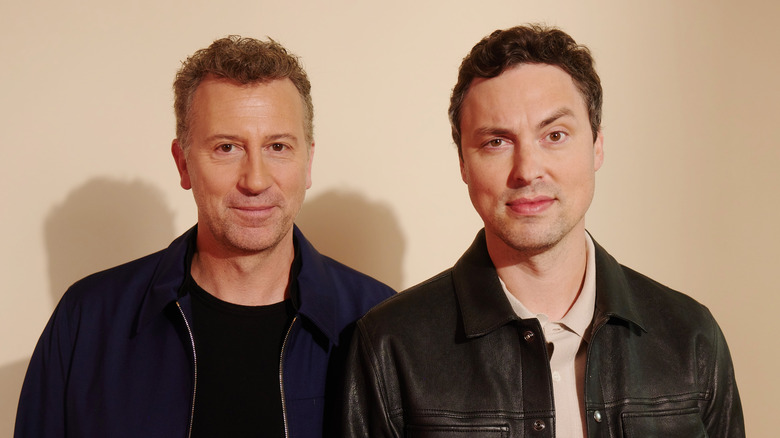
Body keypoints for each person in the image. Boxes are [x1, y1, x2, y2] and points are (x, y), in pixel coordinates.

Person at [344, 24, 744, 437]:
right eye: (496, 142)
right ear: (463, 164)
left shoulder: (692, 337)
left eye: (555, 135)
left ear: (597, 147)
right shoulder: (389, 346)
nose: (528, 170)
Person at [15, 36, 394, 438]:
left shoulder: (379, 324)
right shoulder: (86, 322)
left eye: (278, 146)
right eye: (227, 147)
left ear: (308, 163)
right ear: (183, 163)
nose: (256, 179)